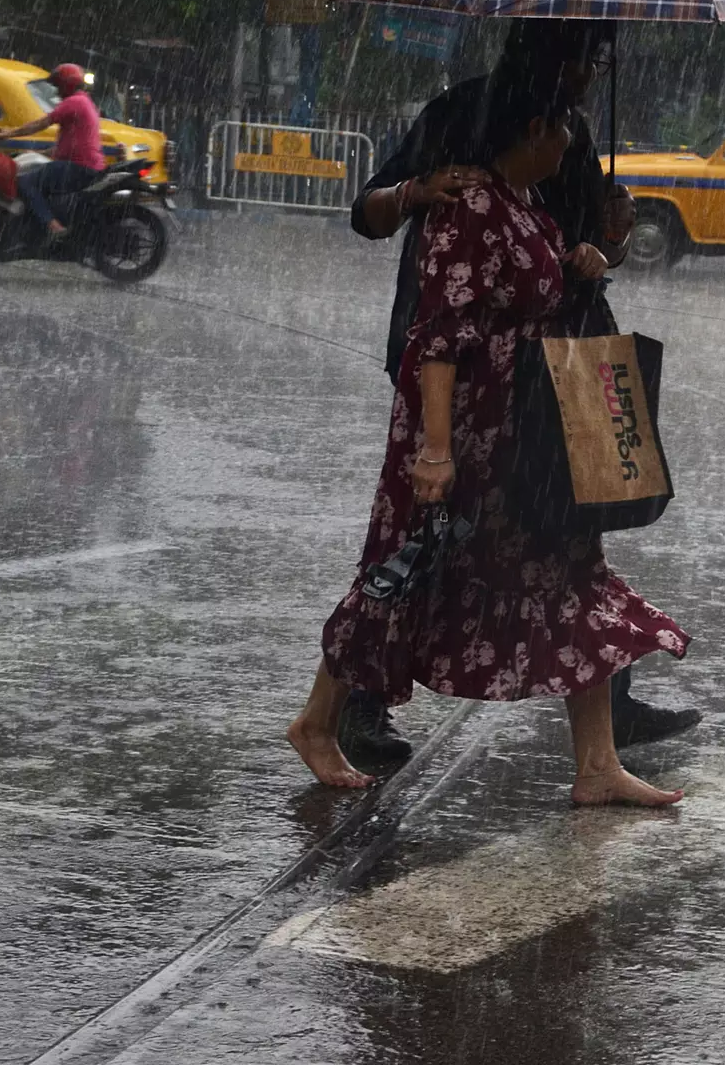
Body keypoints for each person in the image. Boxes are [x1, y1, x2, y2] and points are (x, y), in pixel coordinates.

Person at [287, 70, 689, 806]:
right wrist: (435, 451)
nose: (573, 143)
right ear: (531, 131)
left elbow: (541, 291)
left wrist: (603, 243)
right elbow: (439, 337)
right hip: (464, 432)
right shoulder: (466, 203)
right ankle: (320, 722)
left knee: (571, 572)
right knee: (406, 572)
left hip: (528, 430)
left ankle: (596, 763)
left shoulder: (526, 199)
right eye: (563, 130)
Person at [1, 64, 105, 239]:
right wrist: (39, 152)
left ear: (66, 85)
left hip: (77, 167)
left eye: (58, 86)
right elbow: (71, 143)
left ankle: (53, 226)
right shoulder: (85, 101)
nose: (57, 92)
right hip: (86, 165)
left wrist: (7, 134)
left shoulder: (73, 102)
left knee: (24, 182)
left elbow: (40, 124)